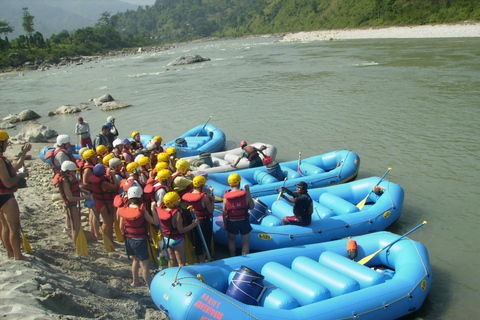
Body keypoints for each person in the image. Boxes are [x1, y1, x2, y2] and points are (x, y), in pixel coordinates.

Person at [117, 186, 157, 289]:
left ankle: (135, 281)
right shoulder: (142, 210)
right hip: (140, 240)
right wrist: (153, 209)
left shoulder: (124, 209)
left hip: (128, 239)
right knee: (145, 266)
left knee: (135, 260)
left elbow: (121, 227)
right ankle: (151, 288)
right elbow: (155, 222)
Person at [0, 130, 31, 261]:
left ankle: (10, 252)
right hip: (5, 197)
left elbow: (15, 166)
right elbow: (7, 183)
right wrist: (20, 176)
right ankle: (18, 255)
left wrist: (23, 153)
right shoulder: (0, 161)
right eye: (6, 142)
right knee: (13, 226)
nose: (7, 145)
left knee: (4, 226)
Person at [55, 161, 93, 247]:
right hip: (70, 206)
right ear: (68, 171)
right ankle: (78, 246)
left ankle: (78, 245)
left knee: (76, 226)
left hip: (72, 205)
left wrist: (83, 191)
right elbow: (70, 198)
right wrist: (84, 198)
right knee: (75, 227)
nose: (74, 173)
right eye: (73, 171)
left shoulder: (69, 179)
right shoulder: (65, 181)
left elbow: (74, 188)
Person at [156, 191, 198, 267]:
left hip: (166, 239)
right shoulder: (177, 213)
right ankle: (180, 277)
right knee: (181, 262)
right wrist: (193, 224)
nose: (179, 200)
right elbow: (181, 230)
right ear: (174, 203)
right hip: (177, 239)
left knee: (171, 260)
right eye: (177, 200)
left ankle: (171, 276)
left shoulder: (161, 209)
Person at [182, 175, 214, 263]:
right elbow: (211, 210)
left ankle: (200, 258)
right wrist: (212, 201)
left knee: (197, 239)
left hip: (193, 220)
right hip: (203, 220)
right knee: (207, 239)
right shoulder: (204, 196)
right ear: (201, 185)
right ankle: (207, 257)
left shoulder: (188, 195)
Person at [222, 173, 254, 256]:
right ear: (239, 182)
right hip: (244, 221)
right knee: (245, 243)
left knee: (231, 241)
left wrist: (225, 224)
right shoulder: (245, 193)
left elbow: (224, 211)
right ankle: (245, 260)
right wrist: (248, 191)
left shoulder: (226, 196)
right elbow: (251, 206)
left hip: (231, 221)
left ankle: (233, 257)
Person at [88, 164, 119, 244]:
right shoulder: (103, 183)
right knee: (108, 223)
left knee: (106, 222)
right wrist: (114, 177)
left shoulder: (96, 180)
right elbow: (115, 187)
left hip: (99, 202)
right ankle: (108, 241)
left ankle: (108, 240)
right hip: (105, 204)